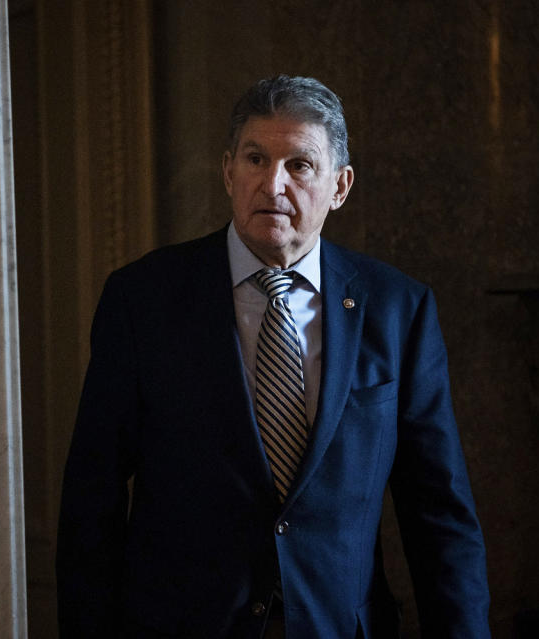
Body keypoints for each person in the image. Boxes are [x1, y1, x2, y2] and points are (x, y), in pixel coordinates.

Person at [56, 75, 490, 638]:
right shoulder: (143, 299)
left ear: (340, 185)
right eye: (256, 159)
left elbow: (439, 514)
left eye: (300, 165)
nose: (273, 184)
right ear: (228, 171)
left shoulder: (398, 310)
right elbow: (93, 501)